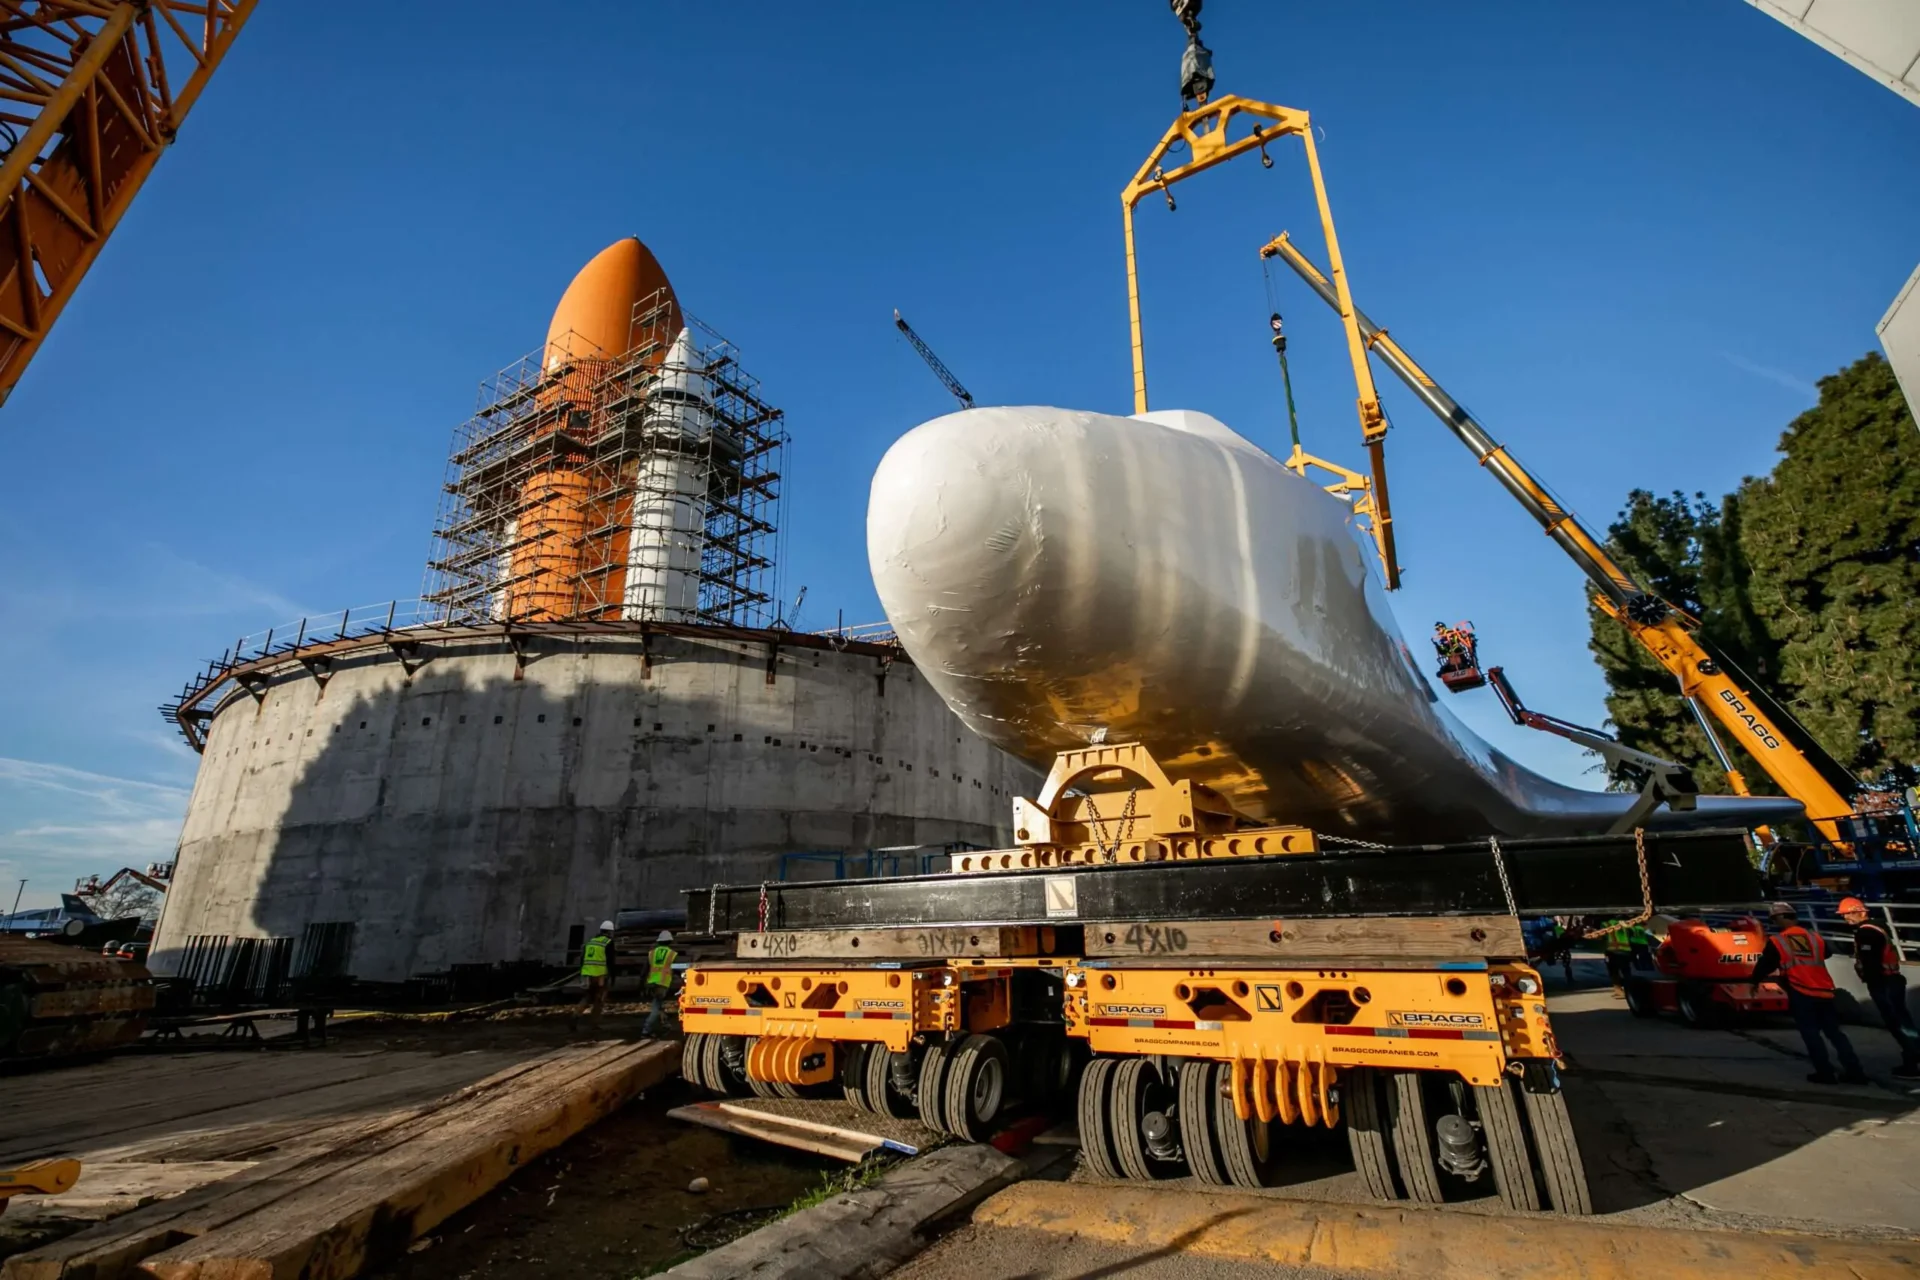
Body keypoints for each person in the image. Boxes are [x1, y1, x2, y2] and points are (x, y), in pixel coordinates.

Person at [1752, 902, 1866, 1085]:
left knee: (1811, 1034)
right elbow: (1826, 954)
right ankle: (1856, 1073)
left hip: (1801, 992)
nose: (1774, 923)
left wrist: (1754, 981)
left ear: (1780, 918)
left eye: (1774, 919)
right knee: (1835, 1034)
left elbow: (1766, 964)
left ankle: (1825, 1074)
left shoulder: (1778, 941)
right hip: (1825, 991)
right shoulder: (1814, 937)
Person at [1839, 896, 1920, 1079]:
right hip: (1892, 981)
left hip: (1884, 984)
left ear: (1860, 912)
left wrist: (1871, 980)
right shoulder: (1878, 927)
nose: (1846, 919)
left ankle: (1912, 1062)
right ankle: (1913, 1056)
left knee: (1897, 1024)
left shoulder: (1866, 933)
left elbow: (1871, 962)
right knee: (1903, 1021)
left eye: (1848, 914)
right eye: (1843, 915)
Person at [641, 929, 678, 1038]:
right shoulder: (672, 954)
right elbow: (675, 969)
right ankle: (646, 1030)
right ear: (669, 941)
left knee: (658, 1005)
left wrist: (641, 984)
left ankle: (665, 1024)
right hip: (662, 984)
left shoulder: (652, 953)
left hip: (651, 982)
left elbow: (645, 969)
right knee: (656, 1008)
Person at [580, 921, 614, 1018]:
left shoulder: (590, 942)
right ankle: (594, 1023)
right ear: (609, 932)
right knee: (599, 998)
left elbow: (582, 959)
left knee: (587, 996)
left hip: (587, 974)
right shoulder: (608, 942)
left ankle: (576, 1015)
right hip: (600, 975)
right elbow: (610, 961)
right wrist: (612, 977)